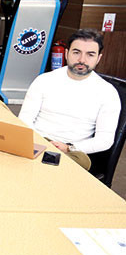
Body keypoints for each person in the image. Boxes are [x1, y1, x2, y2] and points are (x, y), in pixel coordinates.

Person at [19, 29, 121, 170]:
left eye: (90, 55)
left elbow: (105, 140)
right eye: (76, 52)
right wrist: (39, 142)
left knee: (78, 162)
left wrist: (69, 147)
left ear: (98, 58)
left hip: (72, 151)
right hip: (38, 141)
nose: (82, 60)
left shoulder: (108, 93)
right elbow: (24, 119)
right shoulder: (44, 80)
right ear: (67, 54)